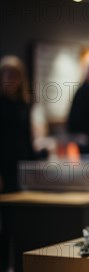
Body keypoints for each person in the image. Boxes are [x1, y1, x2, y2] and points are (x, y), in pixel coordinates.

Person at [0, 55, 35, 193]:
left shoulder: (23, 104)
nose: (12, 80)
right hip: (4, 164)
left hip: (21, 163)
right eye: (8, 75)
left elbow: (26, 136)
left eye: (15, 76)